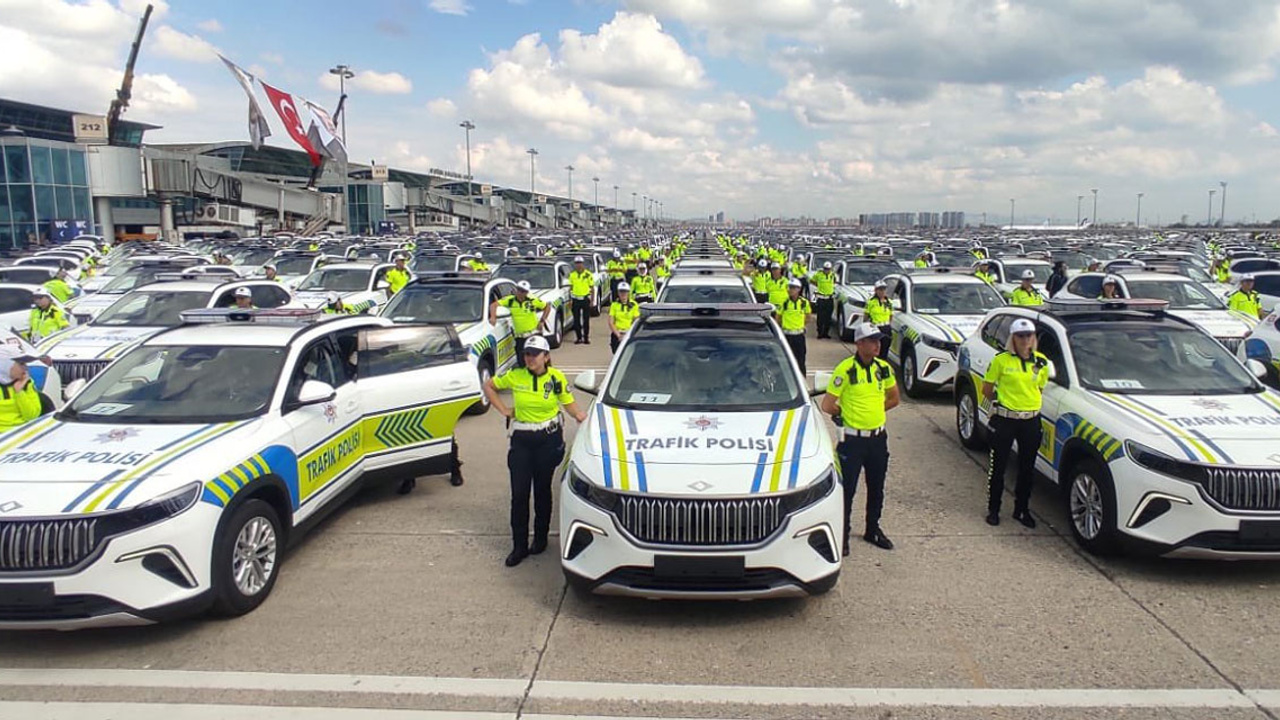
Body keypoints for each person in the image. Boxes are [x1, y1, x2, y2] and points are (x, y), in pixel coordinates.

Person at [483, 335, 588, 567]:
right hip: (521, 441)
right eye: (527, 354)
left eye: (534, 354)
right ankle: (519, 546)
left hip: (547, 440)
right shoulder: (516, 376)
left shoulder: (556, 378)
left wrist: (582, 417)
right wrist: (503, 409)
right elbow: (489, 386)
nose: (529, 358)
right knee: (519, 495)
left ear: (546, 356)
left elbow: (568, 403)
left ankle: (540, 539)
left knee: (542, 491)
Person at [821, 323, 900, 553]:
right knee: (847, 491)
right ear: (859, 343)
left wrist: (874, 411)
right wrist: (847, 415)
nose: (877, 345)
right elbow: (828, 405)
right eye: (872, 340)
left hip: (877, 438)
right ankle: (842, 535)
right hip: (852, 441)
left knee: (877, 487)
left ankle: (872, 529)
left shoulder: (883, 368)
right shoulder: (845, 369)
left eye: (878, 340)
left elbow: (894, 398)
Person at [981, 318, 1050, 528]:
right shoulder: (1001, 360)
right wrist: (1001, 404)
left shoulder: (1041, 362)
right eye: (1020, 336)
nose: (1025, 339)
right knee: (998, 467)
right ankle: (994, 509)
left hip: (1030, 420)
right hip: (1005, 419)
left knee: (1027, 468)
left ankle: (1021, 510)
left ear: (1033, 338)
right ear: (1013, 338)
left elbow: (1040, 388)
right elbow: (986, 388)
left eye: (1028, 335)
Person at [490, 281, 549, 366]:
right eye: (519, 290)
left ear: (527, 292)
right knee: (521, 362)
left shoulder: (532, 300)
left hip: (533, 334)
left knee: (538, 361)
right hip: (520, 337)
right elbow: (493, 305)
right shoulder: (510, 300)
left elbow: (547, 307)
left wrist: (542, 321)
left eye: (523, 291)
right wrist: (493, 317)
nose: (520, 293)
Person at [776, 278, 812, 374]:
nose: (790, 290)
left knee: (800, 360)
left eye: (793, 288)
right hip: (787, 335)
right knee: (786, 360)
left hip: (798, 336)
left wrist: (800, 325)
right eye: (789, 287)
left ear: (798, 289)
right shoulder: (785, 302)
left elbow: (808, 316)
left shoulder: (804, 303)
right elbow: (778, 317)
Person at [0, 355, 43, 429]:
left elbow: (32, 416)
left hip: (21, 432)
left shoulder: (27, 383)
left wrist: (19, 392)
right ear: (6, 364)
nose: (26, 368)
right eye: (21, 364)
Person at [607, 282, 640, 354]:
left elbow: (636, 321)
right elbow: (611, 322)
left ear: (628, 293)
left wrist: (628, 334)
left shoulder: (634, 305)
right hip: (617, 333)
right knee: (616, 354)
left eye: (625, 292)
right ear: (618, 293)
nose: (623, 294)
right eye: (621, 292)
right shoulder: (614, 305)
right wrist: (618, 335)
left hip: (629, 333)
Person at [568, 256, 594, 345]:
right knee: (576, 320)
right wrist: (570, 300)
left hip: (585, 298)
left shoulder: (588, 274)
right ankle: (579, 338)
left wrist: (592, 300)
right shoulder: (572, 275)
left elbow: (592, 288)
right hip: (575, 299)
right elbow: (570, 288)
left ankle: (586, 337)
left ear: (583, 264)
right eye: (577, 263)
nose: (579, 265)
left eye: (580, 263)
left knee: (586, 319)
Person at [864, 281, 894, 359]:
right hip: (876, 328)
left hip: (886, 327)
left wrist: (889, 325)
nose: (882, 292)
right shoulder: (871, 302)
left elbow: (891, 315)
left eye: (883, 289)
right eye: (880, 290)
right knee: (875, 349)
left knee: (885, 349)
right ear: (876, 290)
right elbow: (866, 315)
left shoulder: (889, 302)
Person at [809, 261, 838, 339]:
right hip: (821, 298)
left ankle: (826, 333)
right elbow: (811, 280)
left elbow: (835, 282)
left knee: (828, 317)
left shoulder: (833, 275)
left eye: (828, 269)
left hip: (829, 298)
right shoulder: (818, 274)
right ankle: (820, 333)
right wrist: (818, 286)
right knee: (820, 317)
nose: (826, 270)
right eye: (825, 269)